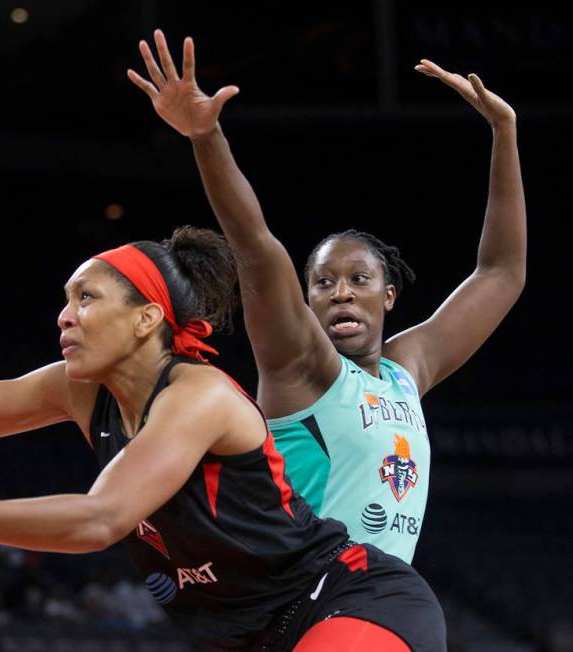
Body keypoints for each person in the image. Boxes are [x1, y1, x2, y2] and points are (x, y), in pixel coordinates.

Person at [0, 227, 445, 650]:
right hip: (245, 636)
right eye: (65, 301)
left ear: (147, 317)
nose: (65, 316)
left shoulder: (198, 396)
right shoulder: (77, 388)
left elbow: (101, 518)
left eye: (86, 298)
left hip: (347, 599)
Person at [128, 31, 527, 564]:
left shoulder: (408, 369)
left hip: (374, 599)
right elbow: (255, 247)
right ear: (307, 299)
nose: (340, 292)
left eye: (359, 280)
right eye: (322, 282)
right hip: (305, 601)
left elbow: (501, 272)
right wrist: (207, 138)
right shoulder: (302, 368)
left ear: (388, 296)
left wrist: (505, 130)